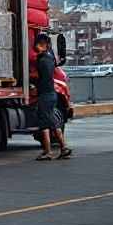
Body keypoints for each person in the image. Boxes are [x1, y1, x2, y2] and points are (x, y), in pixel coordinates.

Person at [33, 33, 72, 161]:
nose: (36, 48)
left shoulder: (42, 60)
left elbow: (43, 78)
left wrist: (35, 84)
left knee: (44, 123)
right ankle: (63, 148)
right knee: (53, 121)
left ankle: (48, 151)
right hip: (52, 93)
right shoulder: (51, 58)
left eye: (37, 45)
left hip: (45, 94)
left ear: (42, 45)